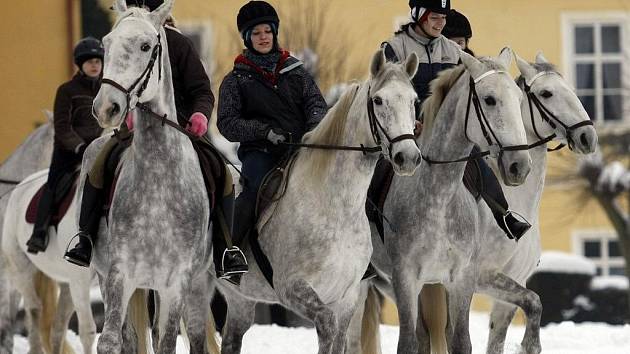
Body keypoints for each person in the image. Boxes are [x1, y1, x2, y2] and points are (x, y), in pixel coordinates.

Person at [64, 0, 248, 280]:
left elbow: (201, 89)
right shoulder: (125, 39)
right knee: (98, 161)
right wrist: (124, 109)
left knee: (221, 172)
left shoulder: (178, 43)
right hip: (135, 127)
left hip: (183, 128)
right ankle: (85, 239)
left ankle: (225, 249)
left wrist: (199, 114)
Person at [368, 0, 531, 241]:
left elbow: (464, 93)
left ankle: (504, 215)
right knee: (378, 168)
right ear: (419, 16)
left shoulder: (455, 52)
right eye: (434, 17)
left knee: (476, 162)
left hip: (445, 129)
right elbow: (390, 91)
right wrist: (412, 122)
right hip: (405, 129)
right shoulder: (394, 47)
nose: (440, 23)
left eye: (443, 18)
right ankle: (368, 224)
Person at [216, 1, 328, 278]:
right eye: (256, 33)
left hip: (300, 148)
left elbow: (316, 104)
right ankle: (231, 252)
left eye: (268, 31)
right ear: (246, 38)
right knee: (253, 188)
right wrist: (263, 132)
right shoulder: (235, 80)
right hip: (261, 152)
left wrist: (313, 128)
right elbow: (227, 124)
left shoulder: (297, 72)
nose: (264, 37)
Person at [26, 37, 104, 254]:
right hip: (70, 151)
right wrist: (78, 146)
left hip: (99, 149)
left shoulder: (107, 89)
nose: (94, 65)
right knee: (54, 184)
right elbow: (62, 126)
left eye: (97, 60)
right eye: (89, 61)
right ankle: (39, 234)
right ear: (80, 65)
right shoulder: (67, 90)